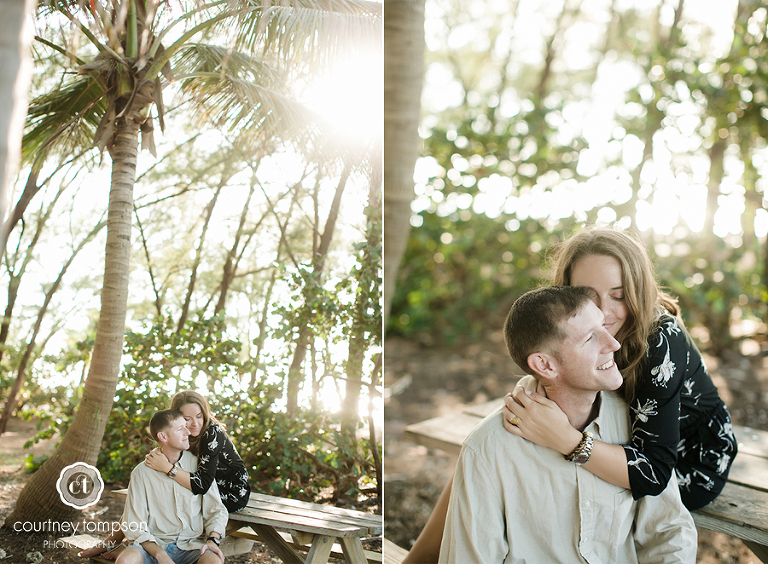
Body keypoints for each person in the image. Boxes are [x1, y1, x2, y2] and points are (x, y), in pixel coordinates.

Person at [404, 226, 737, 563]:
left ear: (637, 291)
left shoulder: (660, 340)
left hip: (682, 459)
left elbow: (653, 472)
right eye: (589, 296)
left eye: (619, 295)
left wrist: (567, 439)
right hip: (619, 435)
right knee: (486, 459)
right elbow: (556, 365)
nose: (604, 313)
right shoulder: (582, 326)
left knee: (535, 471)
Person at [440, 285, 697, 563]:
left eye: (603, 326)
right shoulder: (487, 449)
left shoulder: (638, 420)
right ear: (545, 365)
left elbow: (670, 531)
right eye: (590, 338)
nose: (613, 344)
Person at [80, 390, 250, 560]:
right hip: (200, 479)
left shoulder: (211, 432)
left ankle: (124, 543)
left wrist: (168, 468)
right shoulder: (181, 438)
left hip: (229, 490)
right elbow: (169, 440)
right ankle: (118, 543)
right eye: (186, 420)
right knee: (138, 507)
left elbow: (203, 485)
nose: (193, 425)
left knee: (182, 507)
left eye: (199, 416)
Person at [115, 409, 228, 564]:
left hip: (192, 546)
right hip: (154, 546)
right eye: (181, 429)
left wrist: (213, 540)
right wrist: (161, 555)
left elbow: (216, 510)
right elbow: (134, 525)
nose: (188, 432)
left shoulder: (199, 467)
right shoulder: (141, 473)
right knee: (126, 560)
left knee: (213, 562)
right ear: (163, 436)